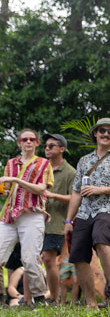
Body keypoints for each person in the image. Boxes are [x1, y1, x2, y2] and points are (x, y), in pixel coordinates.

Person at [64, 118, 110, 309]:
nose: (106, 134)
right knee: (78, 255)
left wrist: (100, 189)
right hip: (84, 212)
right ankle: (91, 302)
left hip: (109, 208)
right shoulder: (84, 160)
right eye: (102, 130)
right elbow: (76, 192)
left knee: (101, 238)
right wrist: (68, 220)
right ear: (95, 133)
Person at [0, 128, 54, 307]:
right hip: (10, 215)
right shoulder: (10, 163)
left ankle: (39, 300)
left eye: (32, 139)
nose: (28, 142)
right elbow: (7, 190)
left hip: (32, 214)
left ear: (37, 143)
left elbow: (40, 189)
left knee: (30, 259)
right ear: (19, 143)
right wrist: (5, 188)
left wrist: (15, 180)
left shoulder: (43, 163)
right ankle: (2, 299)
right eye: (24, 139)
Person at [41, 133, 76, 304]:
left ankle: (53, 299)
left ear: (62, 149)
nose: (47, 148)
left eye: (51, 146)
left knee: (49, 258)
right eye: (46, 146)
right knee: (32, 259)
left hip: (56, 222)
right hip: (36, 220)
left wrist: (51, 195)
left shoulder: (70, 172)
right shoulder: (40, 168)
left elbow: (75, 198)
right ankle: (32, 298)